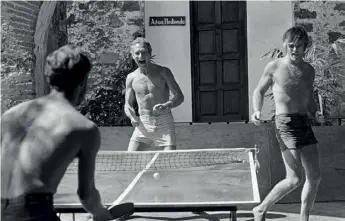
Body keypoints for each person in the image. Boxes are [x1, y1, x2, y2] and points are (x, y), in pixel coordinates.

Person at [1, 45, 128, 221]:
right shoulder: (83, 128)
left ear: (48, 78)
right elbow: (87, 195)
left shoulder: (10, 115)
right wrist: (102, 215)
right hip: (36, 214)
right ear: (83, 82)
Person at [251, 26, 323, 221]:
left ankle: (304, 218)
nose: (294, 49)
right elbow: (258, 91)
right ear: (285, 45)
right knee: (294, 179)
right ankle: (261, 208)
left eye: (299, 46)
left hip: (304, 123)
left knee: (314, 176)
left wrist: (315, 112)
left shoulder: (309, 70)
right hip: (285, 124)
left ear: (305, 47)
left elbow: (308, 98)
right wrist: (257, 110)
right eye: (291, 45)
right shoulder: (274, 67)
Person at [124, 37, 184, 151]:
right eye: (137, 53)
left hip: (164, 122)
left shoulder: (163, 72)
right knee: (130, 159)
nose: (141, 56)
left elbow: (179, 96)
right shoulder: (131, 78)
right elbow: (127, 104)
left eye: (144, 52)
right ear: (132, 55)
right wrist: (132, 116)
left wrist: (166, 105)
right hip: (143, 124)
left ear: (149, 54)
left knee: (169, 162)